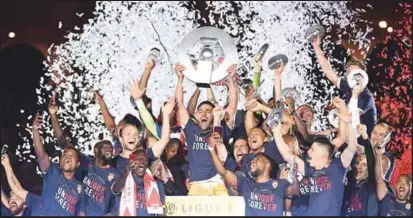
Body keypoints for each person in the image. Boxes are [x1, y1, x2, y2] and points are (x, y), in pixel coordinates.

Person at [272, 105, 358, 216]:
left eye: (312, 150)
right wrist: (276, 133)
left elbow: (351, 147)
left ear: (323, 155)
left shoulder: (337, 167)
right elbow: (287, 155)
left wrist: (349, 124)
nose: (308, 152)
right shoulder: (309, 169)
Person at [174, 63, 238, 196]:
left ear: (213, 113)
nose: (203, 114)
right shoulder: (191, 129)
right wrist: (180, 79)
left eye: (208, 111)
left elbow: (232, 107)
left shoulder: (220, 128)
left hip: (219, 183)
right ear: (196, 115)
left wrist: (231, 81)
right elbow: (179, 104)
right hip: (196, 185)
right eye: (200, 111)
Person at [208, 132, 299, 216]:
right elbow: (223, 172)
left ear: (268, 164)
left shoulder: (279, 184)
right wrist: (211, 149)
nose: (253, 162)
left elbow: (295, 191)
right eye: (253, 160)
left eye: (258, 159)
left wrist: (294, 177)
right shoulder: (245, 183)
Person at [311, 35, 377, 135]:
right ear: (346, 75)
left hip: (364, 143)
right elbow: (328, 70)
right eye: (349, 72)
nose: (353, 76)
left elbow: (351, 119)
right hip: (350, 136)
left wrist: (341, 108)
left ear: (363, 76)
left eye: (356, 73)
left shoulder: (366, 97)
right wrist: (316, 46)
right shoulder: (348, 86)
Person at [32, 114, 86, 216]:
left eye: (72, 155)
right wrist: (35, 131)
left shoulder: (80, 187)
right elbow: (42, 155)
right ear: (60, 161)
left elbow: (81, 213)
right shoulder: (52, 171)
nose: (67, 157)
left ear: (78, 164)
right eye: (64, 154)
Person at [112, 149, 165, 216]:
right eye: (139, 158)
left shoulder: (156, 183)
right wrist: (126, 172)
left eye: (145, 160)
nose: (142, 161)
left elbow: (162, 212)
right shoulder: (122, 178)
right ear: (131, 161)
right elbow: (115, 190)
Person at [81, 140, 120, 216]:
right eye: (105, 147)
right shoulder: (87, 162)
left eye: (111, 148)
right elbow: (67, 146)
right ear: (96, 150)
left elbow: (117, 198)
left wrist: (111, 213)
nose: (109, 150)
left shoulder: (116, 174)